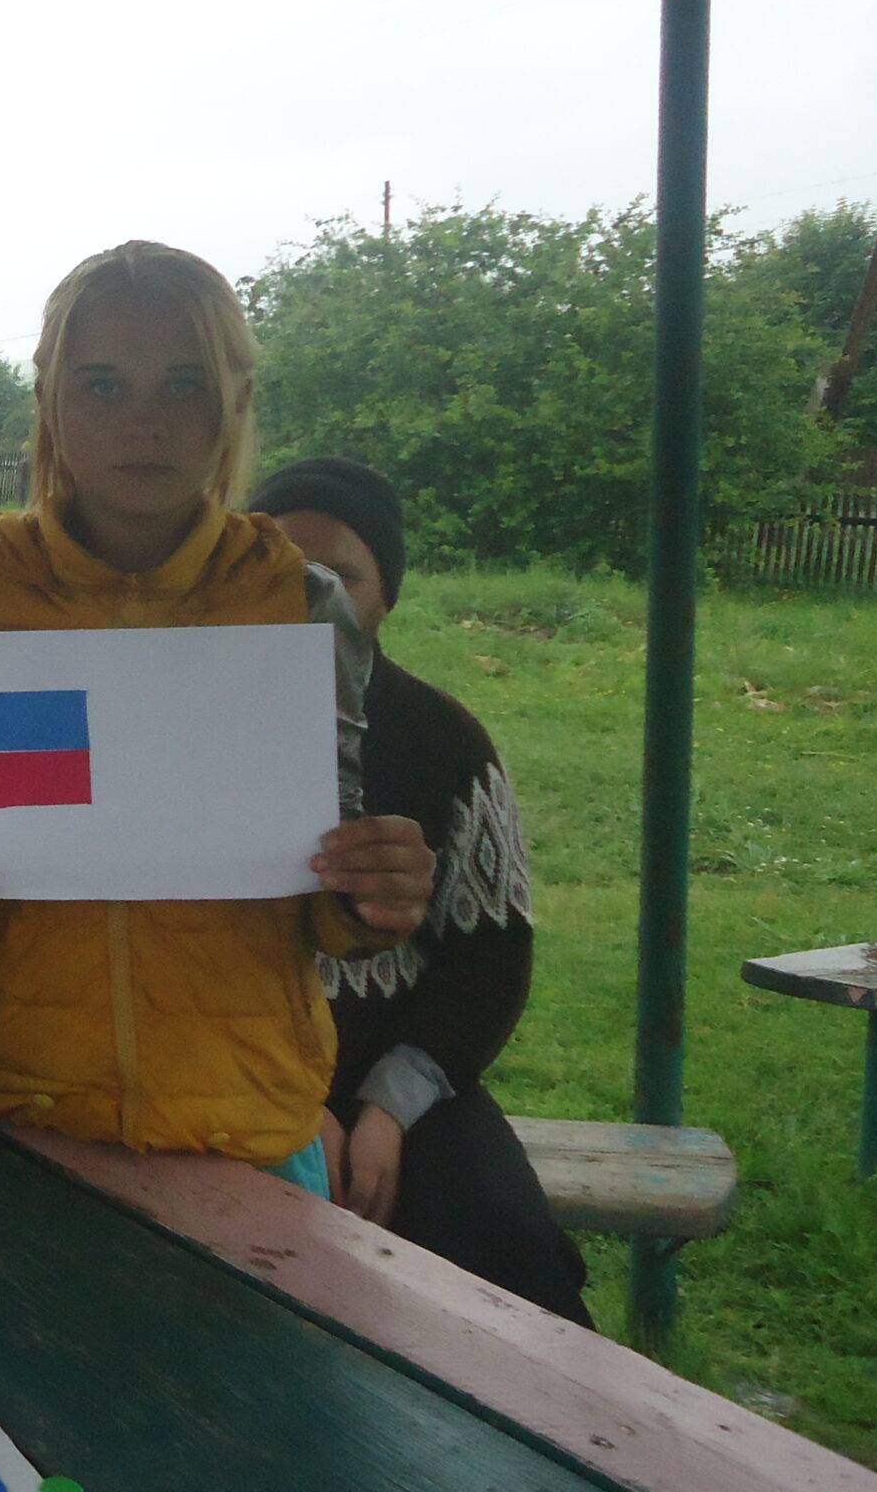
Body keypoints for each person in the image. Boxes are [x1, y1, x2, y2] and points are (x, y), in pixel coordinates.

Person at [0, 241, 434, 1195]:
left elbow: (330, 868)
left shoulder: (299, 605)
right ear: (50, 400)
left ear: (234, 403)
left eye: (183, 384)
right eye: (102, 386)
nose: (144, 421)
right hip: (15, 1106)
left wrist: (371, 897)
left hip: (247, 1116)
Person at [253, 455, 593, 1324]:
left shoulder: (445, 743)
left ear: (386, 596)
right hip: (228, 1080)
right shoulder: (186, 729)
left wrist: (386, 1111)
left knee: (507, 1257)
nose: (313, 592)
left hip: (401, 1084)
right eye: (286, 567)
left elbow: (489, 962)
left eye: (344, 573)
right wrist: (292, 1103)